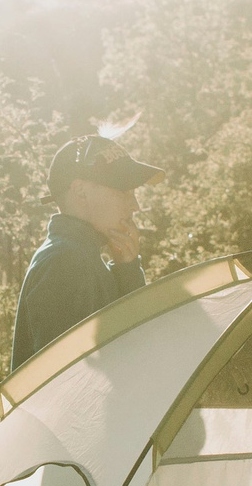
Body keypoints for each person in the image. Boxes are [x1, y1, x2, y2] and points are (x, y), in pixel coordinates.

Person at [10, 134, 163, 369]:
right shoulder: (64, 263)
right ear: (80, 191)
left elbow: (131, 351)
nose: (135, 206)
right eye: (124, 191)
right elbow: (72, 379)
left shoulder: (81, 257)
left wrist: (127, 271)